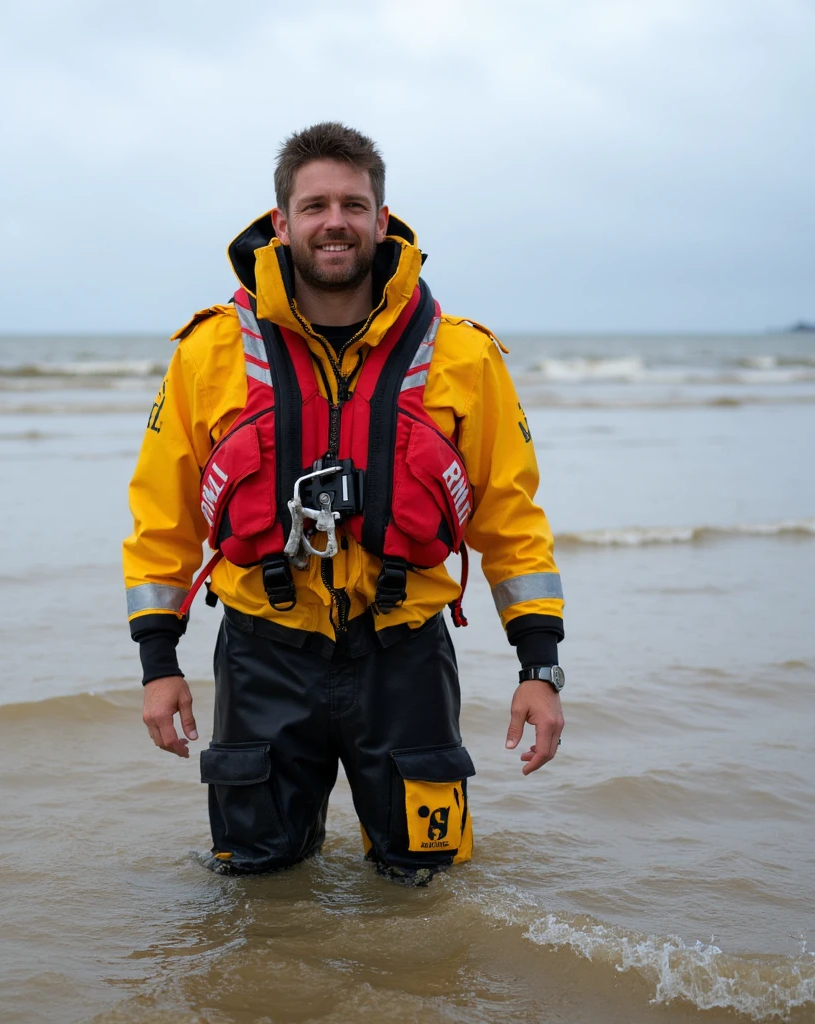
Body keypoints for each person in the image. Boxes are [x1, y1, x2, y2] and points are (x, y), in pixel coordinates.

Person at [122, 122, 564, 882]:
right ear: (282, 223)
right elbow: (163, 517)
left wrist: (540, 667)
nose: (336, 221)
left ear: (382, 221)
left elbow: (512, 522)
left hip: (407, 659)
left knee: (426, 891)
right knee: (255, 891)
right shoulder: (207, 352)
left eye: (354, 205)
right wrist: (158, 664)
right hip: (263, 657)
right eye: (315, 204)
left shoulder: (465, 355)